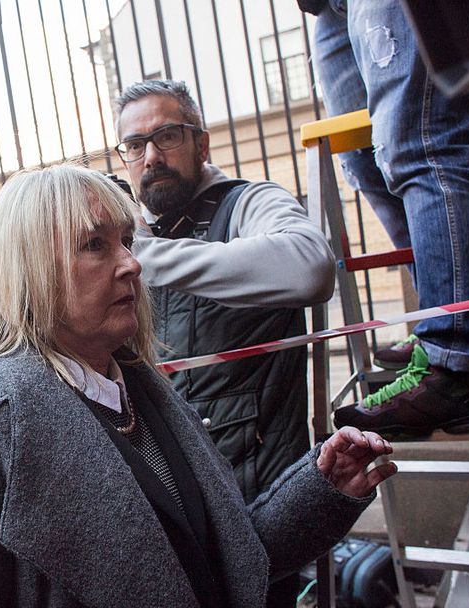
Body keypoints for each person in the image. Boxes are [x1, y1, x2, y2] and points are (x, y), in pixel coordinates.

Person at [0, 164, 396, 607]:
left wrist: (320, 490)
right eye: (95, 245)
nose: (132, 264)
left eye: (126, 241)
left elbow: (222, 565)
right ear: (30, 269)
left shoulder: (141, 390)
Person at [114, 79, 335, 605]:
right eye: (135, 145)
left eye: (167, 136)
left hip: (258, 501)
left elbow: (310, 267)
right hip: (167, 500)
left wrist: (142, 257)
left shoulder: (249, 203)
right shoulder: (128, 231)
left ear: (201, 143)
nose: (151, 157)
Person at [302, 0, 469, 437]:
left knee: (422, 143)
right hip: (328, 9)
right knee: (366, 162)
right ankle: (448, 318)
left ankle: (452, 364)